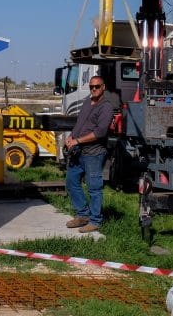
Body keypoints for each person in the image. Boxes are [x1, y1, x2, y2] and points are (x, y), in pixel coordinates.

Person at [64, 75, 114, 233]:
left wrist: (77, 141)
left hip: (94, 153)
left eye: (97, 86)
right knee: (72, 182)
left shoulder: (106, 107)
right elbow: (80, 123)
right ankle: (83, 215)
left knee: (94, 188)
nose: (94, 89)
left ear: (103, 87)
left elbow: (99, 132)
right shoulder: (87, 101)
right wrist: (71, 136)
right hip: (78, 151)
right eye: (91, 86)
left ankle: (95, 220)